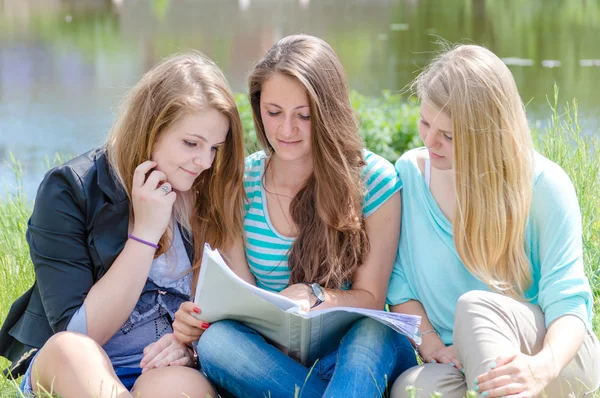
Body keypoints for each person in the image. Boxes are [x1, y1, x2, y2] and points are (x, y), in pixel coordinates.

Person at [171, 34, 418, 398]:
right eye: (274, 113)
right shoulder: (240, 183)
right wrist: (198, 318)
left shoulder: (375, 181)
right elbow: (240, 296)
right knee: (217, 342)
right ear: (258, 108)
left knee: (372, 331)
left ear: (328, 111)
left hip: (358, 353)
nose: (286, 130)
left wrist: (314, 295)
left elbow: (370, 296)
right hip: (274, 358)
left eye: (304, 116)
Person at [0, 51, 246, 397]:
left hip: (164, 367)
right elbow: (81, 333)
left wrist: (191, 345)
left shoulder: (210, 190)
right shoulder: (71, 189)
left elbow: (241, 308)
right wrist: (144, 235)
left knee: (180, 388)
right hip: (79, 366)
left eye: (215, 148)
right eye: (191, 143)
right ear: (150, 129)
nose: (204, 162)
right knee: (70, 349)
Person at [388, 44, 600, 398]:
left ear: (487, 134)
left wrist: (540, 368)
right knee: (411, 390)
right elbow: (400, 286)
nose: (429, 140)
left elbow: (568, 302)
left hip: (552, 357)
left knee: (475, 308)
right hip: (465, 364)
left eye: (449, 136)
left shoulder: (544, 186)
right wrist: (434, 347)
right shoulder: (409, 175)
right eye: (426, 122)